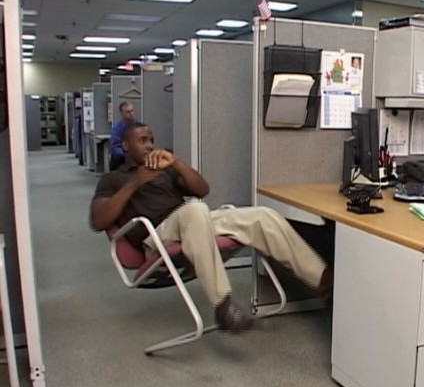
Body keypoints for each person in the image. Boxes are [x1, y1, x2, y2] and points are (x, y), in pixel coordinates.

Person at [90, 123, 332, 332]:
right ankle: (223, 305)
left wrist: (176, 163)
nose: (150, 145)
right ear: (125, 146)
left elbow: (202, 190)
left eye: (151, 140)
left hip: (194, 223)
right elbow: (98, 220)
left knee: (262, 216)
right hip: (157, 236)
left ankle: (324, 283)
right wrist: (135, 182)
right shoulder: (113, 180)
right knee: (195, 209)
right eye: (142, 140)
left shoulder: (164, 170)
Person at [109, 101, 138, 171]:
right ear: (122, 114)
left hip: (137, 153)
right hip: (123, 155)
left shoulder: (139, 126)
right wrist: (126, 154)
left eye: (132, 111)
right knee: (116, 157)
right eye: (128, 112)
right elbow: (115, 147)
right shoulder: (117, 129)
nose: (131, 114)